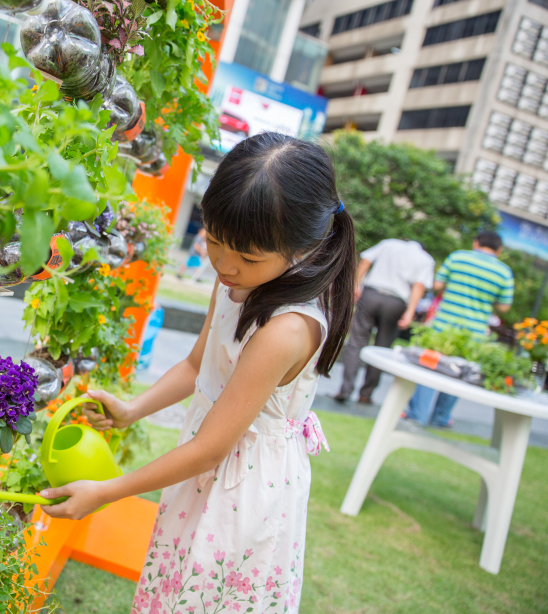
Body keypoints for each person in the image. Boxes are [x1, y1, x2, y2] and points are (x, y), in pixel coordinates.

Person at [39, 133, 357, 614]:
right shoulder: (234, 281)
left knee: (210, 594)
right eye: (213, 241)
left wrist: (105, 492)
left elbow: (211, 449)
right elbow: (197, 366)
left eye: (248, 257)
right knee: (176, 582)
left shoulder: (286, 329)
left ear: (303, 246)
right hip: (205, 467)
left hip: (244, 485)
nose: (225, 265)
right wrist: (132, 410)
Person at [404, 231, 513, 428]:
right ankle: (441, 417)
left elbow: (437, 285)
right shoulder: (504, 272)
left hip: (444, 326)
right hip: (474, 332)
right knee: (461, 374)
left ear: (476, 242)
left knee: (430, 367)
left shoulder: (458, 257)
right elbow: (504, 306)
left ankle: (416, 414)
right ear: (499, 250)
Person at [335, 239, 434, 404]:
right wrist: (410, 312)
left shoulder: (388, 244)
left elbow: (365, 261)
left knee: (355, 343)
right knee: (382, 348)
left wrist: (356, 284)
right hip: (396, 303)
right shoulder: (425, 259)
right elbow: (419, 286)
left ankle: (345, 389)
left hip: (370, 295)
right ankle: (366, 394)